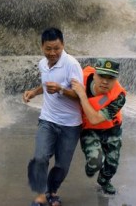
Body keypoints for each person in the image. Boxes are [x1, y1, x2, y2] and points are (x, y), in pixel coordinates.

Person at [23, 27, 83, 206]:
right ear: (42, 46)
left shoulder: (72, 64)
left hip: (70, 124)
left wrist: (61, 90)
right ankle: (40, 195)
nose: (53, 53)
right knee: (40, 157)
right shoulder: (43, 63)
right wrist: (33, 93)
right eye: (48, 49)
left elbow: (80, 95)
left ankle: (52, 191)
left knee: (62, 166)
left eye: (56, 48)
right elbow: (45, 84)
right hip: (47, 120)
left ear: (63, 45)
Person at [71, 59, 126, 195]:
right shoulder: (81, 77)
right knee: (95, 162)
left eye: (111, 78)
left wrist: (82, 95)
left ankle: (104, 181)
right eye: (101, 76)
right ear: (95, 74)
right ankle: (92, 167)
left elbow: (95, 119)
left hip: (112, 128)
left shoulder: (119, 96)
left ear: (116, 79)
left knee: (112, 163)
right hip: (89, 130)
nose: (105, 82)